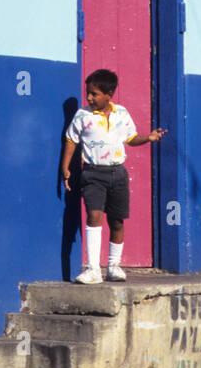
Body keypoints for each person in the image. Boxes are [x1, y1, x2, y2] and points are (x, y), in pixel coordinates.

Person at [61, 69, 165, 284]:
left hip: (117, 173)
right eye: (88, 93)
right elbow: (71, 140)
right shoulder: (82, 115)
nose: (89, 97)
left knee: (117, 221)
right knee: (94, 216)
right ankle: (93, 270)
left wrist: (149, 137)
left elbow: (132, 138)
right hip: (92, 173)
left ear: (109, 94)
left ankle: (113, 266)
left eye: (94, 94)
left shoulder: (122, 114)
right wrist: (65, 167)